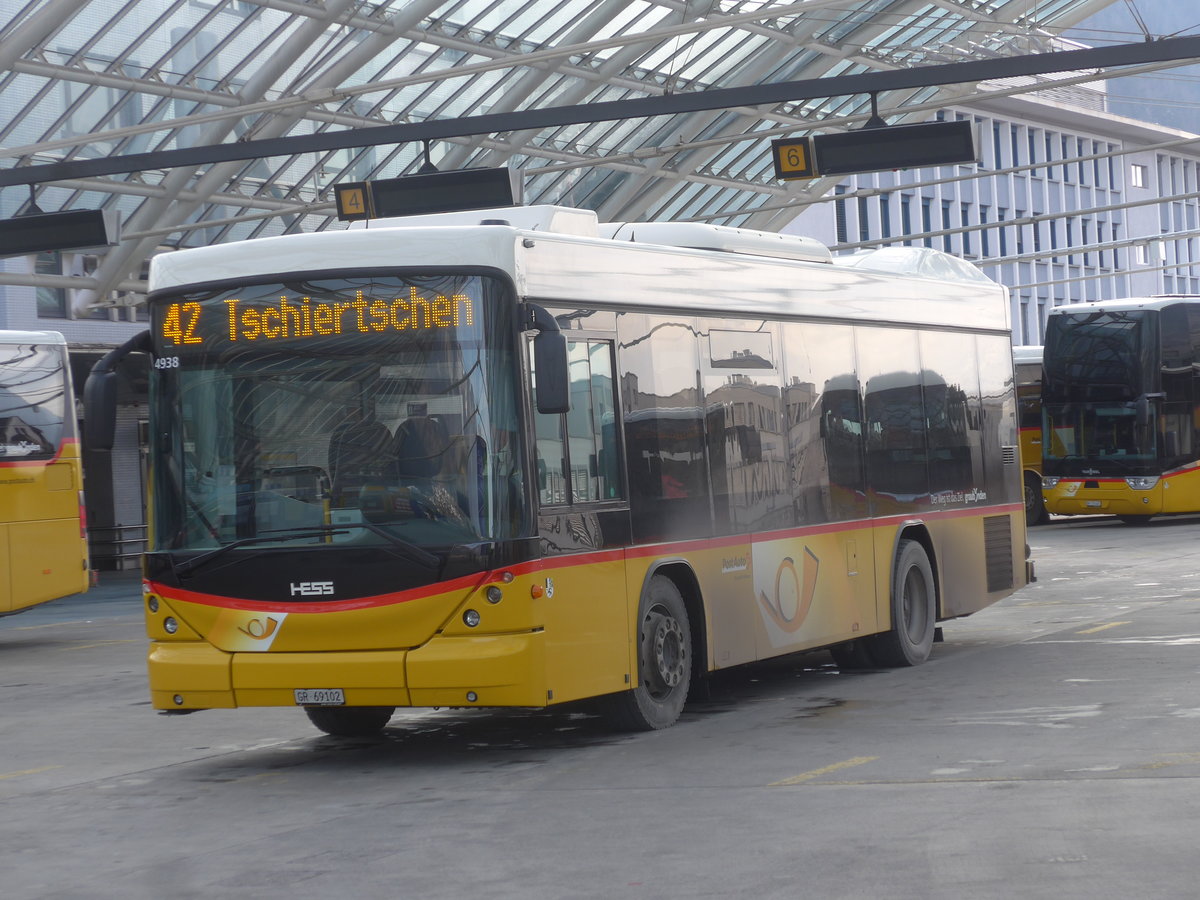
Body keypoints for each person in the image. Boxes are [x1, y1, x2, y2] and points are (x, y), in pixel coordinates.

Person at [328, 406, 392, 507]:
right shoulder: (381, 434)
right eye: (351, 411)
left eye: (356, 412)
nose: (352, 415)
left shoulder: (343, 435)